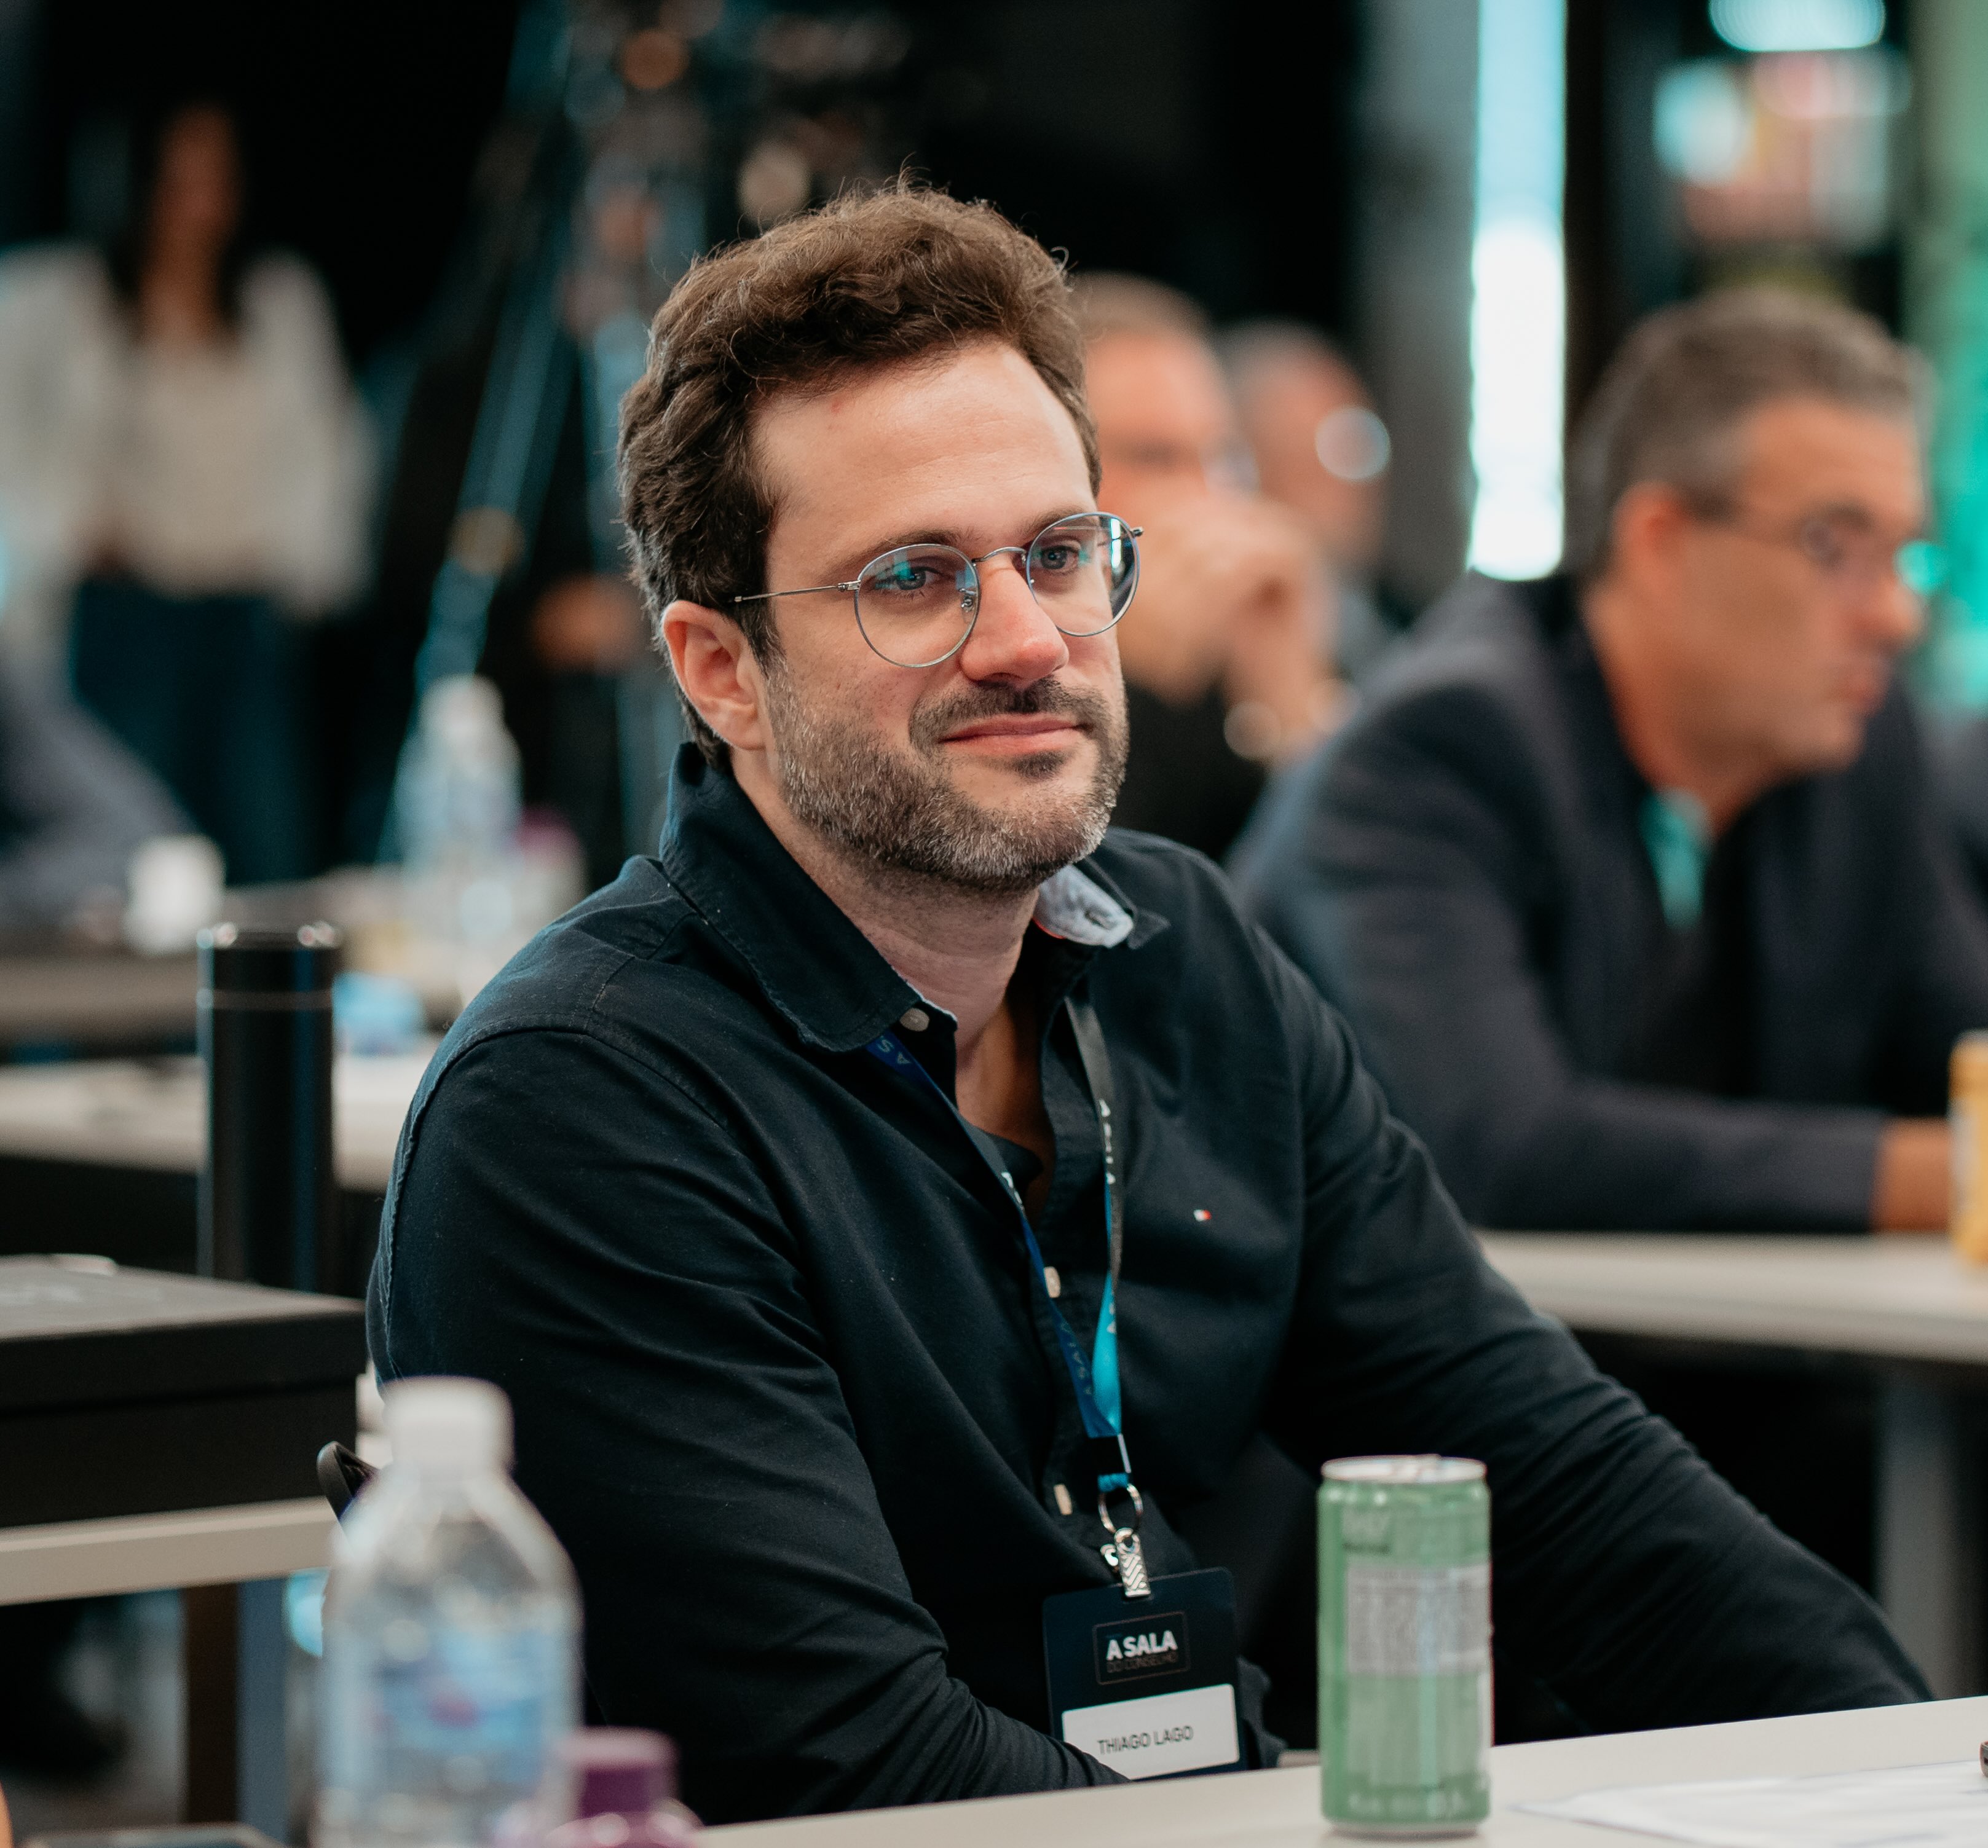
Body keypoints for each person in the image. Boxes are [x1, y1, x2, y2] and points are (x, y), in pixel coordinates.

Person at [369, 193, 1923, 1825]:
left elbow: (1557, 1485)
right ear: (718, 670)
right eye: (913, 579)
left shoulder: (1184, 959)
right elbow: (848, 1766)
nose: (1025, 640)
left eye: (1057, 554)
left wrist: (1911, 1765)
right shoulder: (586, 1104)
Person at [1237, 288, 1984, 1236]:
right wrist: (1944, 1174)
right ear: (1659, 543)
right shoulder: (1440, 747)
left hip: (1703, 1324)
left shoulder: (1857, 744)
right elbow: (1507, 1149)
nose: (1895, 615)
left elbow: (1960, 1043)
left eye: (1904, 555)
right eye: (1833, 546)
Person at [0, 102, 369, 883]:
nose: (199, 206)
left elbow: (327, 447)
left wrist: (297, 562)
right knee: (136, 847)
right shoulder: (60, 305)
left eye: (215, 181)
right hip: (126, 612)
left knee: (267, 843)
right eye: (178, 182)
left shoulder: (277, 303)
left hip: (244, 613)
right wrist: (71, 530)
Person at [1073, 277, 1343, 859]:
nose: (1207, 497)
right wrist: (1132, 690)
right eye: (1155, 457)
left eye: (1224, 459)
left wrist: (1292, 709)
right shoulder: (1014, 663)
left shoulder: (1243, 649)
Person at [1221, 321, 1405, 683]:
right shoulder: (1214, 662)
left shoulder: (1409, 623)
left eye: (1363, 443)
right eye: (1332, 448)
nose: (1358, 479)